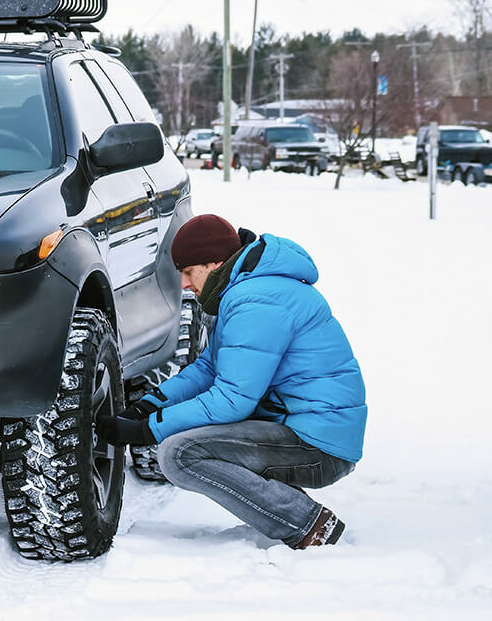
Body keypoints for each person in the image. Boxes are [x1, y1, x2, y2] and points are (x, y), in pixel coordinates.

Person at [98, 213, 366, 548]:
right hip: (303, 427)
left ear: (214, 263)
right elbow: (209, 368)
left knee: (179, 454)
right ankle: (296, 515)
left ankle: (307, 524)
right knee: (184, 441)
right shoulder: (247, 290)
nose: (183, 284)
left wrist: (147, 430)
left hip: (317, 442)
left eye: (187, 271)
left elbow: (231, 399)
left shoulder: (257, 300)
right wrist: (150, 404)